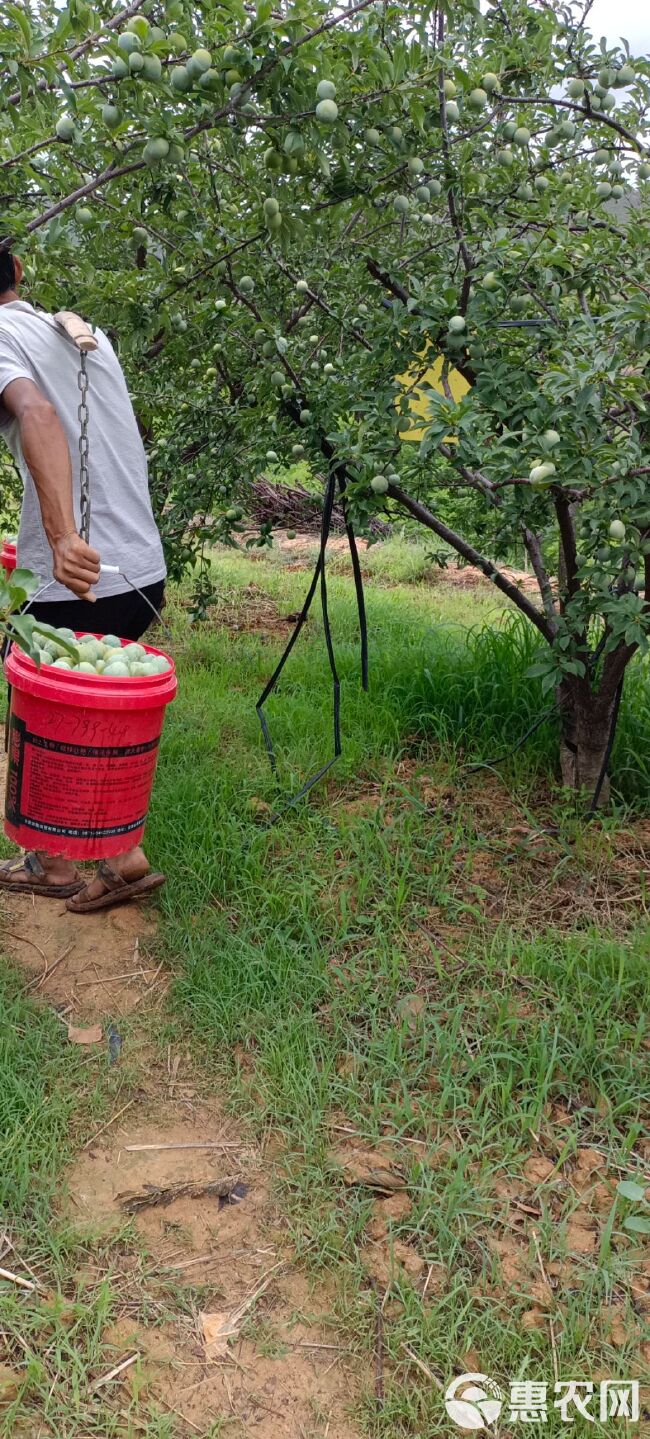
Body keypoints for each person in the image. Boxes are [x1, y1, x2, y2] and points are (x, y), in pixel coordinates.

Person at [0, 244, 168, 912]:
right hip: (140, 570)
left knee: (37, 712)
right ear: (15, 272)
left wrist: (64, 535)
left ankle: (50, 864)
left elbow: (37, 416)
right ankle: (124, 859)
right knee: (102, 718)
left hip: (75, 576)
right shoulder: (80, 330)